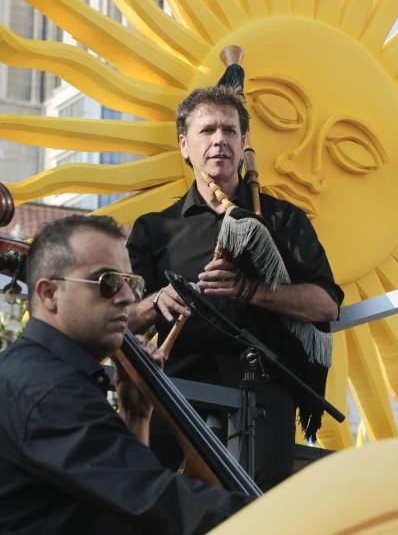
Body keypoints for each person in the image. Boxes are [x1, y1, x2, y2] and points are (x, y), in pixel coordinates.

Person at [0, 215, 249, 534]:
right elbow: (159, 500)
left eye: (133, 284)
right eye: (107, 282)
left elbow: (125, 511)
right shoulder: (47, 391)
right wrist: (278, 516)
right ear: (49, 294)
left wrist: (136, 418)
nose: (127, 297)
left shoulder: (38, 372)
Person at [126, 85, 343, 489]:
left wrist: (249, 290)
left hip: (262, 389)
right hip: (176, 389)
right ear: (184, 145)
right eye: (207, 130)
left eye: (229, 130)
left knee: (255, 504)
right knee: (137, 486)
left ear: (244, 144)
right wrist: (159, 300)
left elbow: (326, 305)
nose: (219, 140)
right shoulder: (155, 229)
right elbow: (121, 322)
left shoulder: (282, 219)